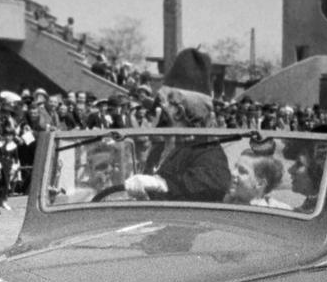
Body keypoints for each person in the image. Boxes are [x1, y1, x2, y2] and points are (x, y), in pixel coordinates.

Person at [121, 48, 228, 202]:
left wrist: (162, 184)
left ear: (178, 111)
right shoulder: (160, 148)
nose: (154, 113)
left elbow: (217, 181)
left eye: (161, 105)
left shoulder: (207, 148)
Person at [225, 146, 292, 208]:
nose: (232, 173)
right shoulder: (223, 201)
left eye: (242, 171)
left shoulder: (272, 214)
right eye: (235, 167)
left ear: (260, 184)